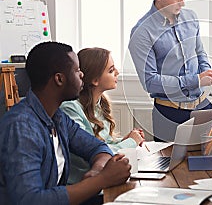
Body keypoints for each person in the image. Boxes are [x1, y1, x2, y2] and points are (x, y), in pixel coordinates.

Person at [0, 42, 131, 205]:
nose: (82, 75)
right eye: (77, 71)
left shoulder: (58, 117)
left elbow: (97, 147)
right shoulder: (21, 126)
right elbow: (30, 200)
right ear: (59, 79)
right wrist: (102, 179)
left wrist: (97, 171)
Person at [129, 0, 212, 142]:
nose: (183, 3)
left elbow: (199, 52)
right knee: (173, 169)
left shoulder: (191, 17)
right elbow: (150, 82)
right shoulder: (142, 32)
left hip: (202, 106)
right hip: (169, 114)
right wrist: (196, 80)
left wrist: (208, 73)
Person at [61, 47, 145, 184]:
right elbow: (92, 153)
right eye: (111, 70)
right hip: (83, 184)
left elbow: (104, 143)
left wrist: (123, 140)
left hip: (101, 179)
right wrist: (131, 142)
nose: (117, 72)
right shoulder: (70, 108)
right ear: (95, 80)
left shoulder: (99, 104)